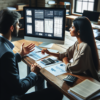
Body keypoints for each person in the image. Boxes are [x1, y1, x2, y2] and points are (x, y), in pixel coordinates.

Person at [0, 9, 63, 100]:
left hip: (5, 88)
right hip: (12, 96)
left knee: (39, 77)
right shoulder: (7, 54)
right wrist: (33, 73)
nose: (19, 27)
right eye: (18, 24)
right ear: (11, 28)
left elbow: (4, 65)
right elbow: (19, 89)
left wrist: (20, 54)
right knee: (56, 92)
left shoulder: (3, 47)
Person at [42, 16, 100, 81]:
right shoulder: (78, 42)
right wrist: (49, 52)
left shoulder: (85, 47)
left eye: (72, 27)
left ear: (79, 32)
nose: (69, 29)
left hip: (89, 80)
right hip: (81, 77)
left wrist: (65, 61)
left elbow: (74, 68)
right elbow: (65, 54)